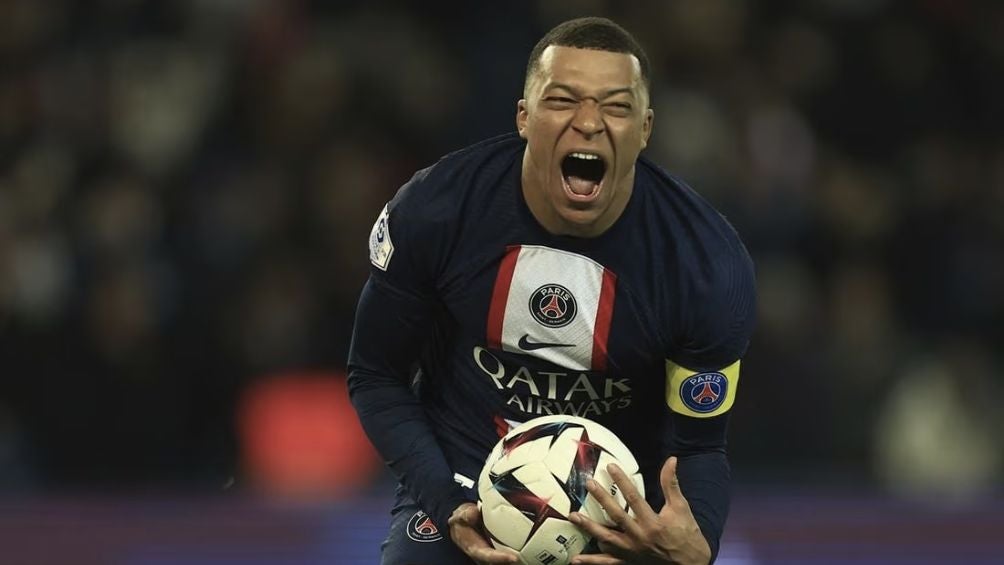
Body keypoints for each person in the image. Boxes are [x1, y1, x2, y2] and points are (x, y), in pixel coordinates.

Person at [348, 16, 755, 565]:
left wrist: (697, 542)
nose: (588, 122)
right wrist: (446, 502)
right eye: (563, 100)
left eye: (616, 106)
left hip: (623, 517)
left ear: (645, 129)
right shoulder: (437, 212)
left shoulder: (704, 265)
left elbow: (700, 444)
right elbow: (376, 376)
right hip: (466, 485)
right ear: (524, 116)